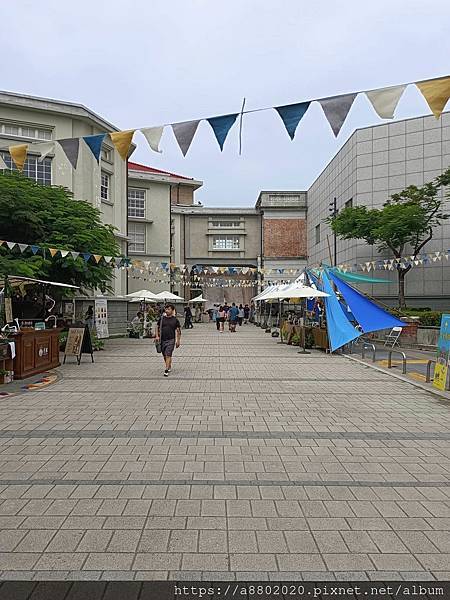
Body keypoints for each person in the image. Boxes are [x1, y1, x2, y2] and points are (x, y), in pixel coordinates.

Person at [155, 304, 181, 377]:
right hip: (162, 340)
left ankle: (166, 370)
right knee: (164, 355)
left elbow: (178, 331)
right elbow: (157, 327)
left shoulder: (175, 320)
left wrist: (178, 341)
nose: (167, 311)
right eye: (166, 309)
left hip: (171, 340)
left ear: (172, 310)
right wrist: (157, 336)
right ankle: (168, 365)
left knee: (168, 354)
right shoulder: (162, 318)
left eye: (169, 309)